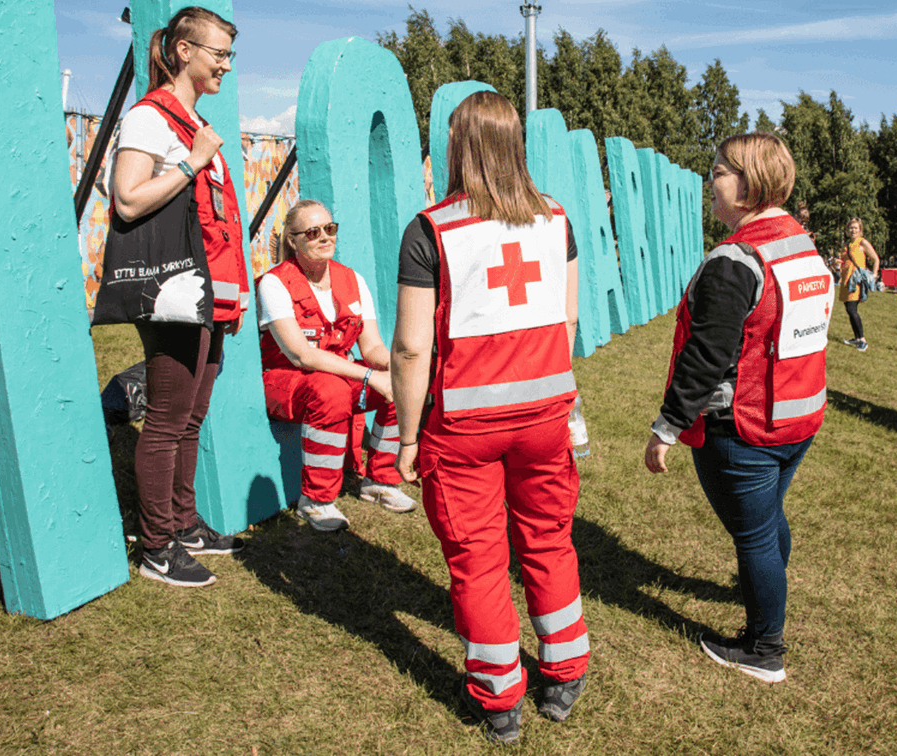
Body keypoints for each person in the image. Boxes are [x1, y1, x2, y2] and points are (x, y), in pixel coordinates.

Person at [390, 91, 587, 744]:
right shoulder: (556, 219)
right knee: (549, 539)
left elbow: (413, 346)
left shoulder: (430, 230)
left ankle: (500, 700)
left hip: (465, 425)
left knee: (478, 559)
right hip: (544, 413)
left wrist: (409, 436)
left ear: (457, 146)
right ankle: (565, 672)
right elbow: (566, 321)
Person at [644, 132, 832, 684]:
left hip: (744, 426)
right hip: (796, 416)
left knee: (753, 534)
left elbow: (706, 356)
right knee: (767, 520)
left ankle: (764, 647)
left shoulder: (736, 259)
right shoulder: (799, 242)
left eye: (719, 171)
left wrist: (668, 426)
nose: (711, 182)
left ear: (747, 184)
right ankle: (767, 582)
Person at [107, 7, 247, 587]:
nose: (227, 66)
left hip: (207, 292)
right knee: (165, 420)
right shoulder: (150, 118)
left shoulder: (194, 120)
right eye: (219, 54)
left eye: (230, 56)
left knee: (192, 416)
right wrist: (192, 162)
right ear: (184, 51)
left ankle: (185, 524)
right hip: (173, 291)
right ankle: (157, 546)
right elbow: (128, 200)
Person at [257, 199, 417, 533]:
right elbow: (301, 355)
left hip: (340, 374)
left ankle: (380, 481)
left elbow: (371, 346)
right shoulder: (274, 283)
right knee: (329, 390)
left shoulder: (352, 279)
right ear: (292, 240)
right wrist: (370, 376)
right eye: (313, 232)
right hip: (285, 379)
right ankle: (316, 500)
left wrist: (402, 367)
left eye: (330, 229)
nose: (324, 237)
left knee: (399, 383)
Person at [839, 217, 880, 351]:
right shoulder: (845, 245)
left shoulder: (862, 242)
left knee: (852, 309)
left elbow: (875, 259)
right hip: (846, 280)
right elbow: (843, 261)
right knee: (849, 309)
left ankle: (862, 339)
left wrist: (873, 275)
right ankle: (856, 338)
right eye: (851, 228)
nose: (853, 230)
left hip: (856, 281)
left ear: (860, 230)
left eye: (856, 228)